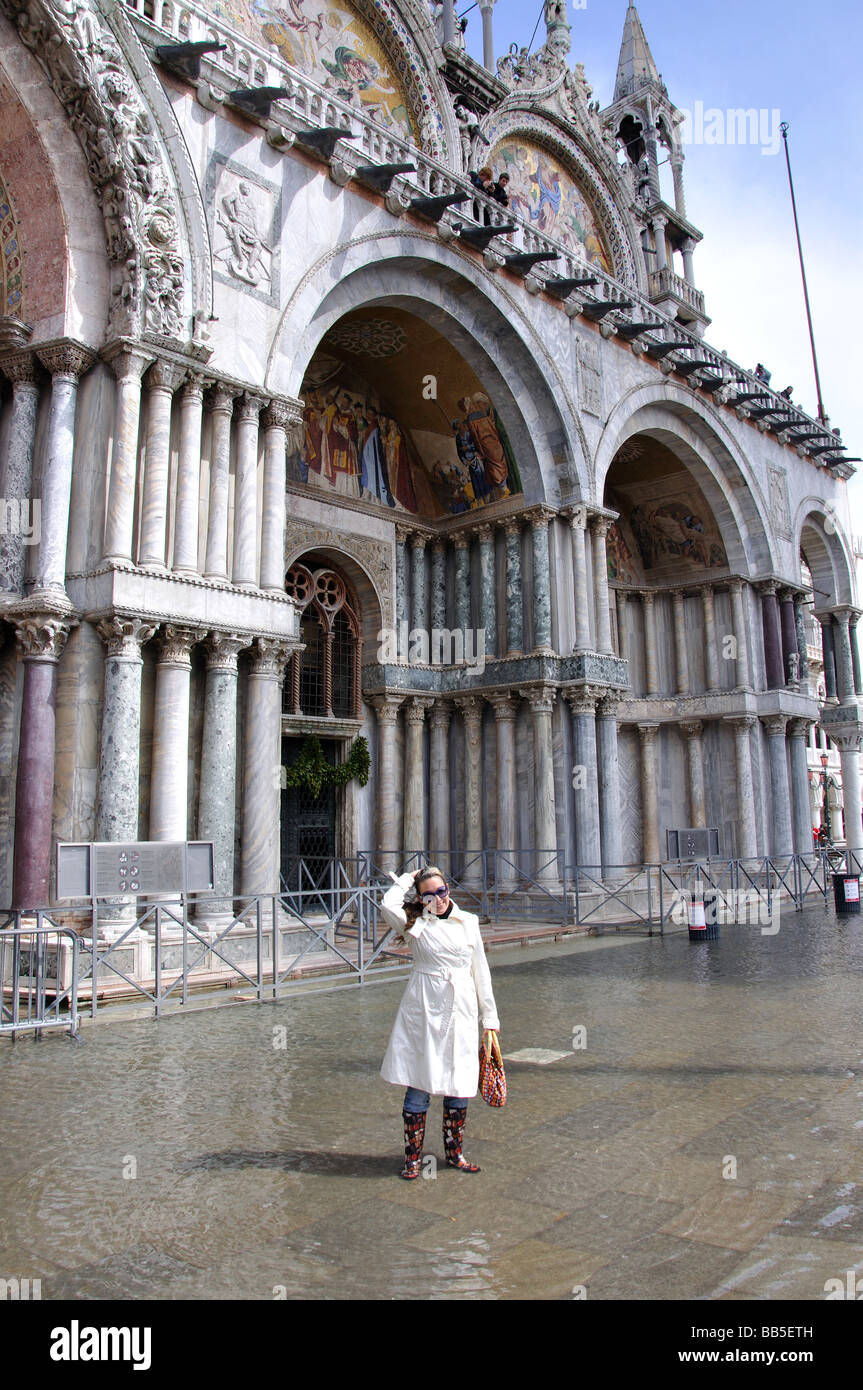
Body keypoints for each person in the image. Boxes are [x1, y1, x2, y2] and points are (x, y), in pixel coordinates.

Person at [380, 865, 501, 1179]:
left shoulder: (468, 922)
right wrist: (409, 878)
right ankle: (413, 1160)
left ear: (449, 889)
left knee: (459, 1083)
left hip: (460, 1007)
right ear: (420, 899)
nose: (439, 898)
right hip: (423, 1007)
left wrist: (490, 1018)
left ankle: (455, 1154)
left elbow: (480, 971)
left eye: (442, 891)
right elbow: (387, 905)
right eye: (430, 894)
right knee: (419, 1083)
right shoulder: (413, 923)